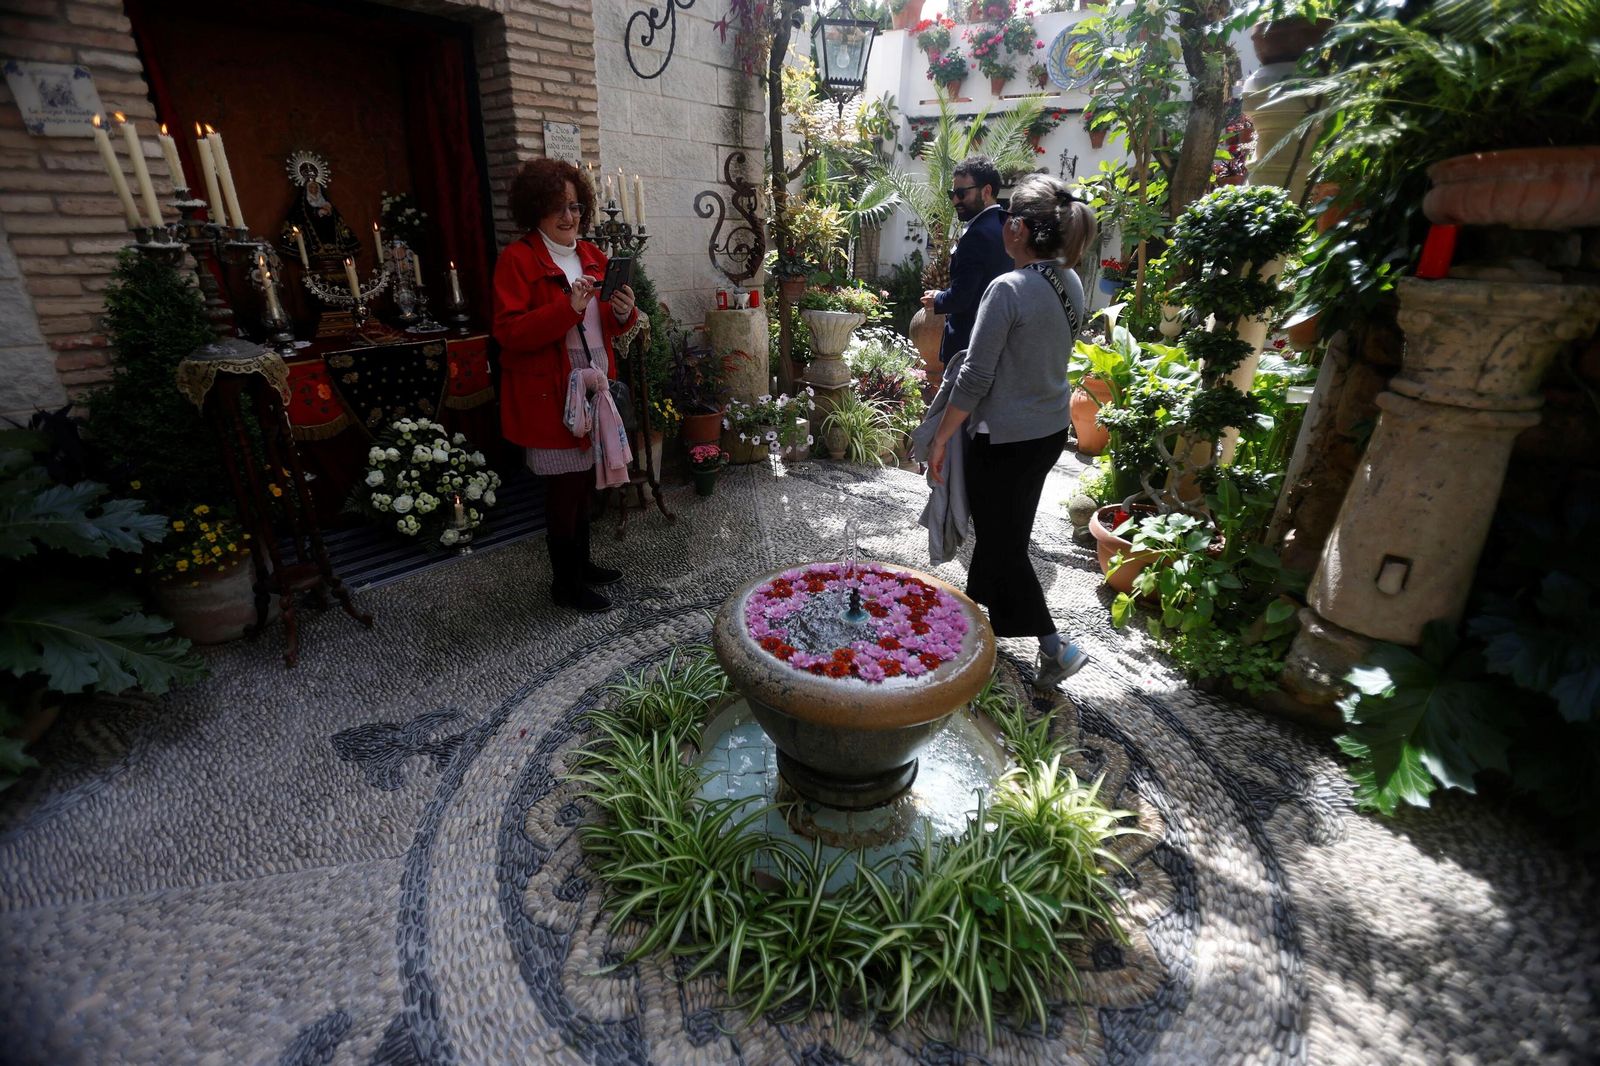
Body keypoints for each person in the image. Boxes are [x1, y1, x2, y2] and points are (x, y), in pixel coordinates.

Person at [925, 173, 1097, 689]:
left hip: (1002, 438)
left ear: (1018, 229)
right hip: (1047, 432)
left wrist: (939, 437)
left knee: (1003, 542)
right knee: (1007, 531)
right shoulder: (1068, 281)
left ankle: (1055, 647)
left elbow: (976, 376)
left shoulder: (1008, 288)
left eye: (1006, 219)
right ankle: (976, 621)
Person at [494, 158, 638, 613]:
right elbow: (510, 333)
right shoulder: (517, 260)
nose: (568, 216)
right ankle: (565, 584)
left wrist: (621, 312)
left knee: (584, 483)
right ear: (535, 209)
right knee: (563, 487)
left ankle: (584, 564)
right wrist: (566, 308)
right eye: (557, 207)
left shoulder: (593, 255)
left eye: (575, 206)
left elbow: (609, 327)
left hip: (595, 382)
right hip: (550, 390)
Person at [920, 155, 1013, 367]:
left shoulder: (977, 235)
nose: (955, 200)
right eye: (952, 193)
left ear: (986, 191)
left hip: (967, 346)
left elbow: (963, 298)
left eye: (961, 193)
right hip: (996, 343)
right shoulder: (1005, 224)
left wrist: (938, 298)